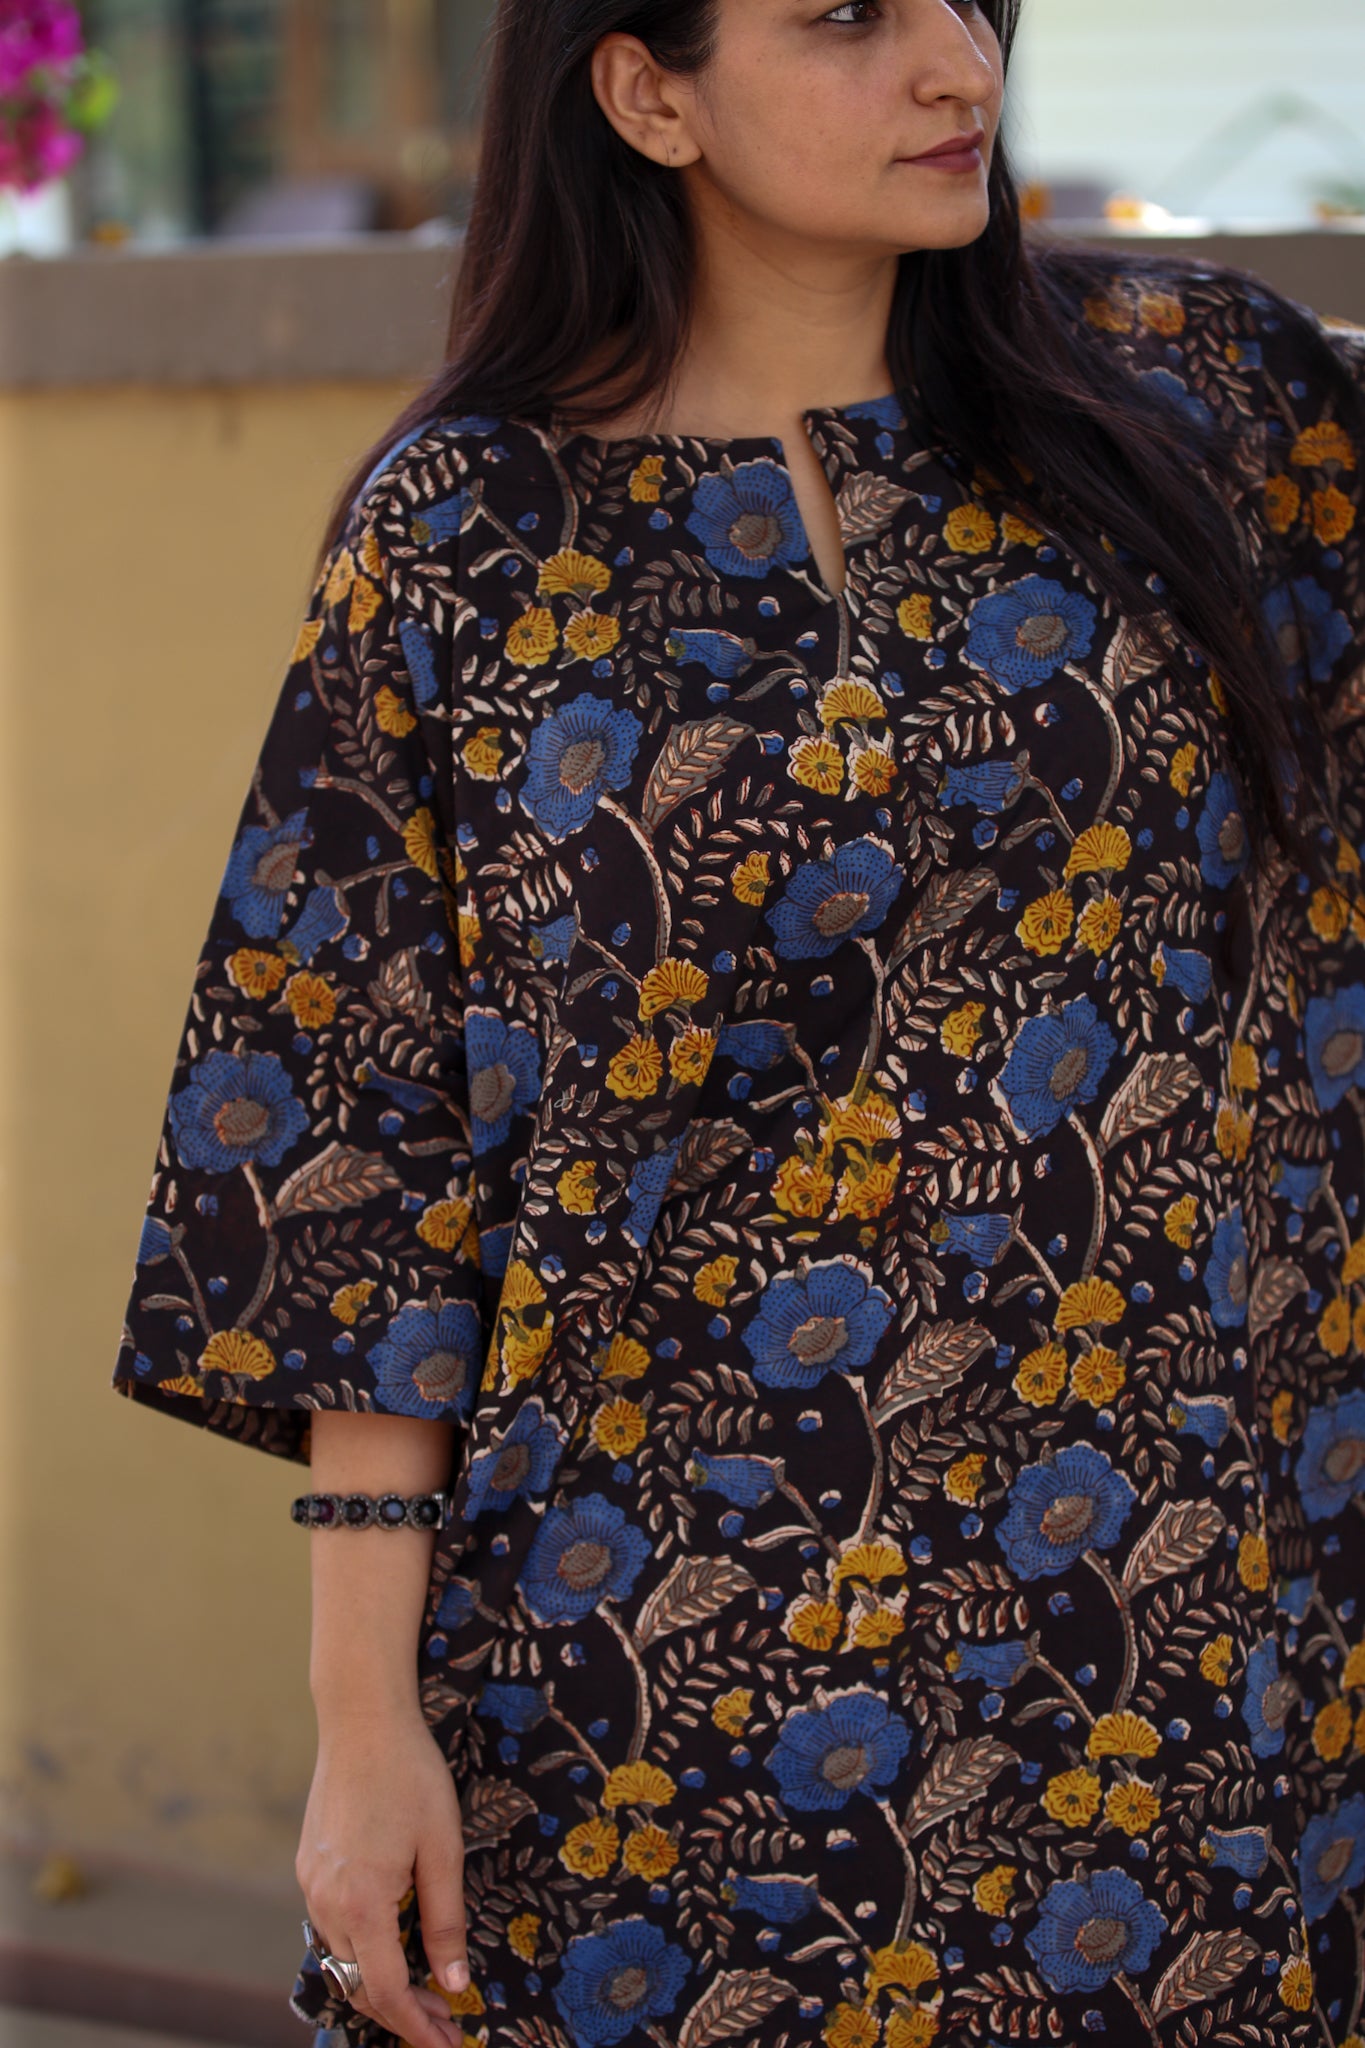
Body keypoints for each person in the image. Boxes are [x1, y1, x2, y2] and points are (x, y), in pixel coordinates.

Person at [110, 0, 1365, 2044]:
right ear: (644, 90)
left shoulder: (1204, 402)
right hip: (641, 1667)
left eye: (964, 1)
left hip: (1164, 1634)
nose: (956, 64)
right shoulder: (465, 535)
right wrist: (360, 1722)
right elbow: (351, 1144)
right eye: (847, 16)